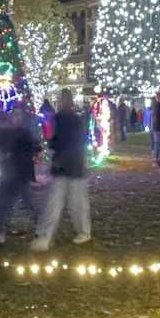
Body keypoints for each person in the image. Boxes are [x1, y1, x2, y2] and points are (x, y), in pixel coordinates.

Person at [32, 90, 91, 251]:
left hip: (69, 166)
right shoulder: (73, 119)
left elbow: (59, 141)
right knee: (61, 202)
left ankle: (47, 236)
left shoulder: (63, 119)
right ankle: (48, 235)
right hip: (71, 165)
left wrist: (53, 148)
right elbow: (69, 141)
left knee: (67, 202)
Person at [0, 104, 40, 246]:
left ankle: (42, 230)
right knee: (0, 204)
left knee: (29, 204)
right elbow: (0, 146)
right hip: (8, 174)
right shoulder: (6, 132)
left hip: (20, 174)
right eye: (14, 114)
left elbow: (32, 148)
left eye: (19, 114)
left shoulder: (25, 133)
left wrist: (12, 153)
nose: (16, 117)